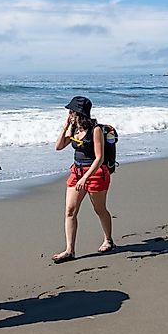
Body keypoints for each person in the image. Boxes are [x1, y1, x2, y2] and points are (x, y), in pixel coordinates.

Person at [51, 96, 115, 263]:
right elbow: (58, 147)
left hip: (95, 173)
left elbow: (99, 158)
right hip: (76, 172)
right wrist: (65, 125)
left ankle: (108, 240)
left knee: (99, 209)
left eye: (71, 111)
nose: (69, 114)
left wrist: (85, 178)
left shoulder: (96, 130)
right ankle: (69, 250)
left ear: (79, 113)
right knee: (70, 211)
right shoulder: (73, 129)